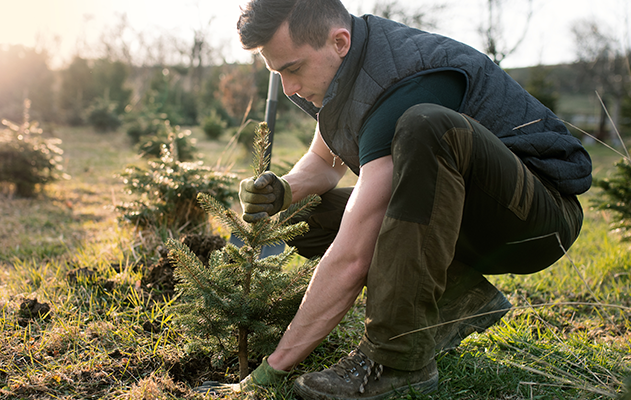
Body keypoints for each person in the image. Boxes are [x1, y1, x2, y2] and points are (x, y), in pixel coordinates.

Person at [222, 0, 593, 398]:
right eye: (277, 74)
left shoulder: (402, 81)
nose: (289, 88)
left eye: (292, 69)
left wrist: (272, 369)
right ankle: (457, 297)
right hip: (461, 212)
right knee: (301, 216)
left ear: (339, 41)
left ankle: (396, 359)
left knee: (426, 126)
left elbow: (352, 257)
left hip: (535, 218)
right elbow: (324, 160)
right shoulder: (344, 67)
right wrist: (285, 190)